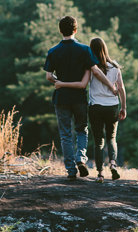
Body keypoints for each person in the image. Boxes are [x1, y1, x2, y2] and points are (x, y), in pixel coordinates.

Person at [44, 16, 118, 181]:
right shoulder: (84, 50)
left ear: (60, 30)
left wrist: (60, 83)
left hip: (61, 98)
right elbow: (97, 72)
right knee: (81, 129)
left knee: (65, 134)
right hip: (79, 98)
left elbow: (49, 76)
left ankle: (71, 170)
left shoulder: (53, 51)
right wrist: (111, 86)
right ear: (75, 30)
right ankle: (81, 159)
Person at [55, 36, 126, 183]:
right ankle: (113, 164)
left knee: (99, 140)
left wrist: (62, 83)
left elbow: (83, 84)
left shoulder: (90, 67)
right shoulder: (115, 66)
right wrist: (123, 107)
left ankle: (100, 174)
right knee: (111, 137)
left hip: (96, 107)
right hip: (112, 106)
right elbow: (121, 88)